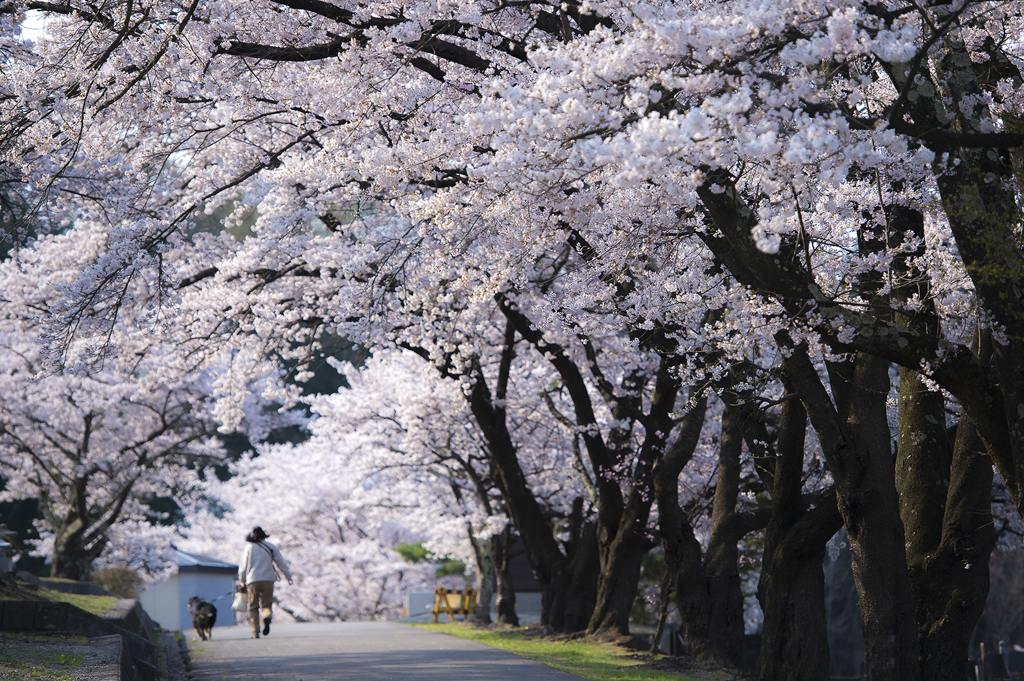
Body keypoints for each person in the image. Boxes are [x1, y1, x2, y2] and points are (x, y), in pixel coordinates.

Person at [237, 526, 293, 639]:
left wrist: (242, 581)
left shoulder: (249, 548)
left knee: (253, 606)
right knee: (266, 604)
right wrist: (288, 576)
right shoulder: (271, 546)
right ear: (264, 535)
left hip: (252, 580)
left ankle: (255, 631)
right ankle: (267, 617)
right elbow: (280, 562)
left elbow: (243, 567)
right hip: (268, 579)